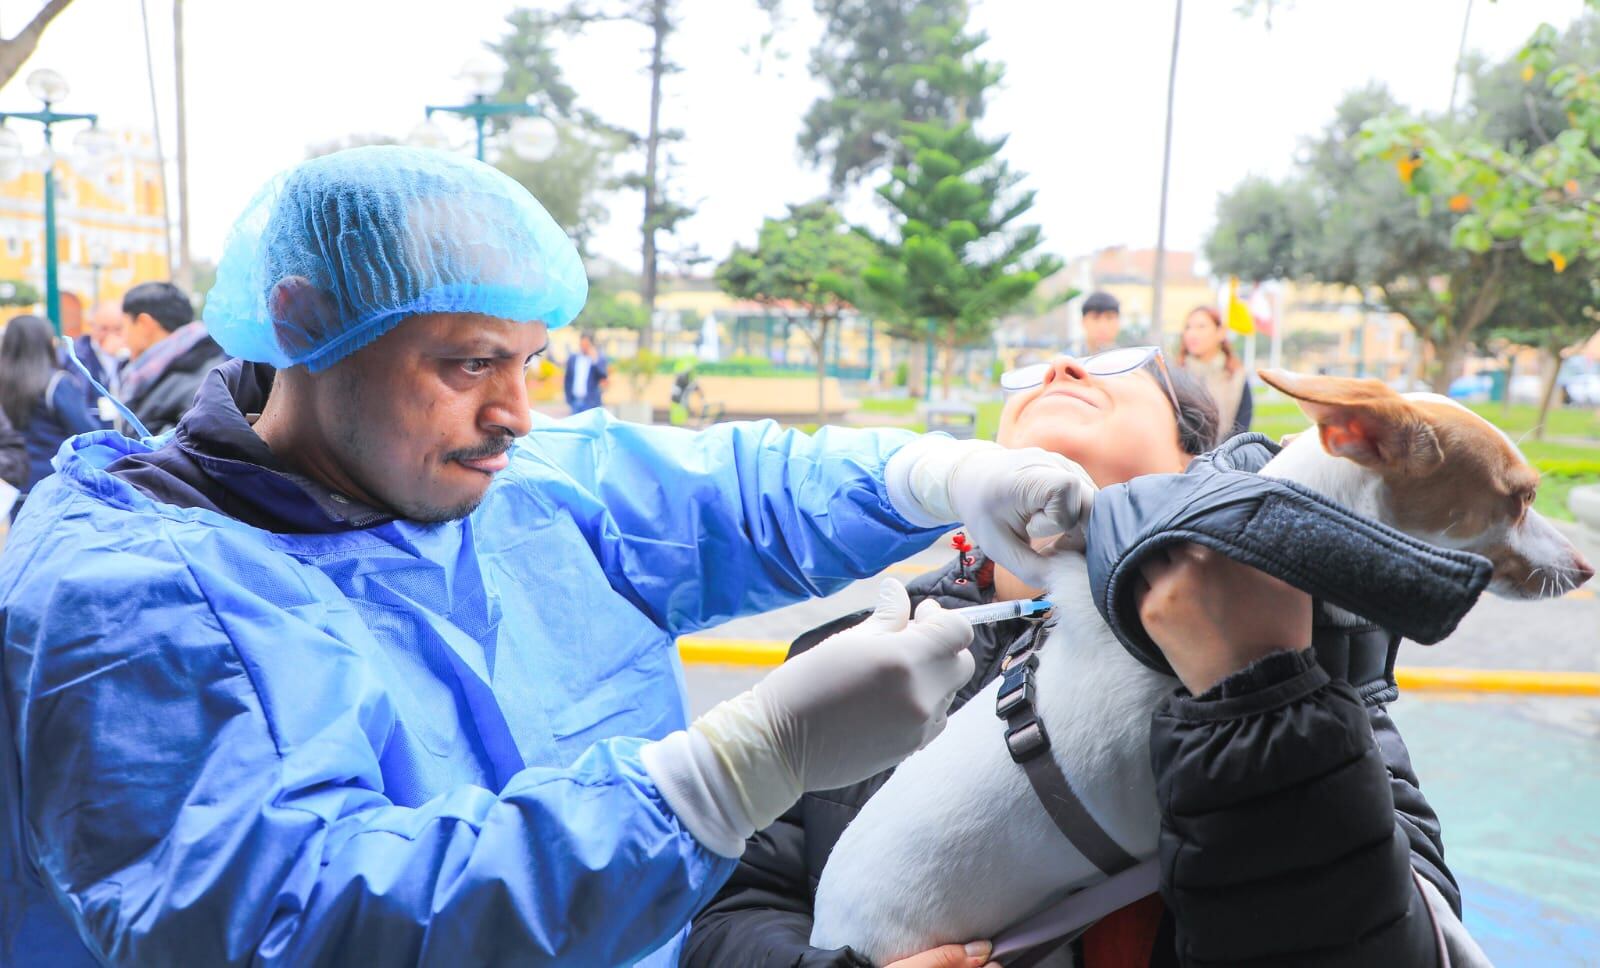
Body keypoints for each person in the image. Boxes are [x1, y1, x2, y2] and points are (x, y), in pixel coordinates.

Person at [0, 146, 1098, 967]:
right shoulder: (125, 602)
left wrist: (935, 477)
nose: (516, 414)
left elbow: (734, 490)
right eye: (469, 363)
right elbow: (288, 920)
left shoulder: (502, 485)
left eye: (529, 361)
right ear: (303, 320)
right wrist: (729, 774)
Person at [686, 347, 1469, 968]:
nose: (1062, 368)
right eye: (1030, 373)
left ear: (1194, 463)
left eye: (1122, 365)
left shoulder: (1321, 671)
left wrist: (1260, 693)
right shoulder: (858, 650)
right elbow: (726, 915)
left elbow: (1400, 938)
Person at [0, 314, 102, 519]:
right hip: (56, 483)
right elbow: (87, 431)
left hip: (14, 484)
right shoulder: (57, 383)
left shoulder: (4, 384)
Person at [119, 280, 226, 435]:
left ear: (144, 323)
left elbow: (194, 442)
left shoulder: (201, 380)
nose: (123, 338)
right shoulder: (164, 371)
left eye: (123, 327)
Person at [1176, 305, 1251, 440]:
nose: (1192, 333)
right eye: (1188, 327)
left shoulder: (1236, 377)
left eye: (1201, 327)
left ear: (1220, 332)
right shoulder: (1175, 377)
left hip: (1227, 451)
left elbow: (1242, 428)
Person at [66, 301, 128, 421]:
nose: (111, 335)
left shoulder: (131, 353)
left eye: (118, 329)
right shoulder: (78, 356)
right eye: (104, 329)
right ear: (91, 326)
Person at [563, 328, 608, 413]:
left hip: (591, 403)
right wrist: (568, 398)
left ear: (591, 344)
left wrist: (595, 361)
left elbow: (603, 376)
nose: (584, 347)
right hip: (575, 401)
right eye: (582, 344)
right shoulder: (573, 358)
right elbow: (567, 379)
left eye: (586, 345)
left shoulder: (599, 359)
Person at [1078, 290, 1122, 357]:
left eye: (1109, 318)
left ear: (1118, 322)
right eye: (1095, 318)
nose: (1102, 326)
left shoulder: (1129, 361)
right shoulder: (1068, 360)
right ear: (1083, 322)